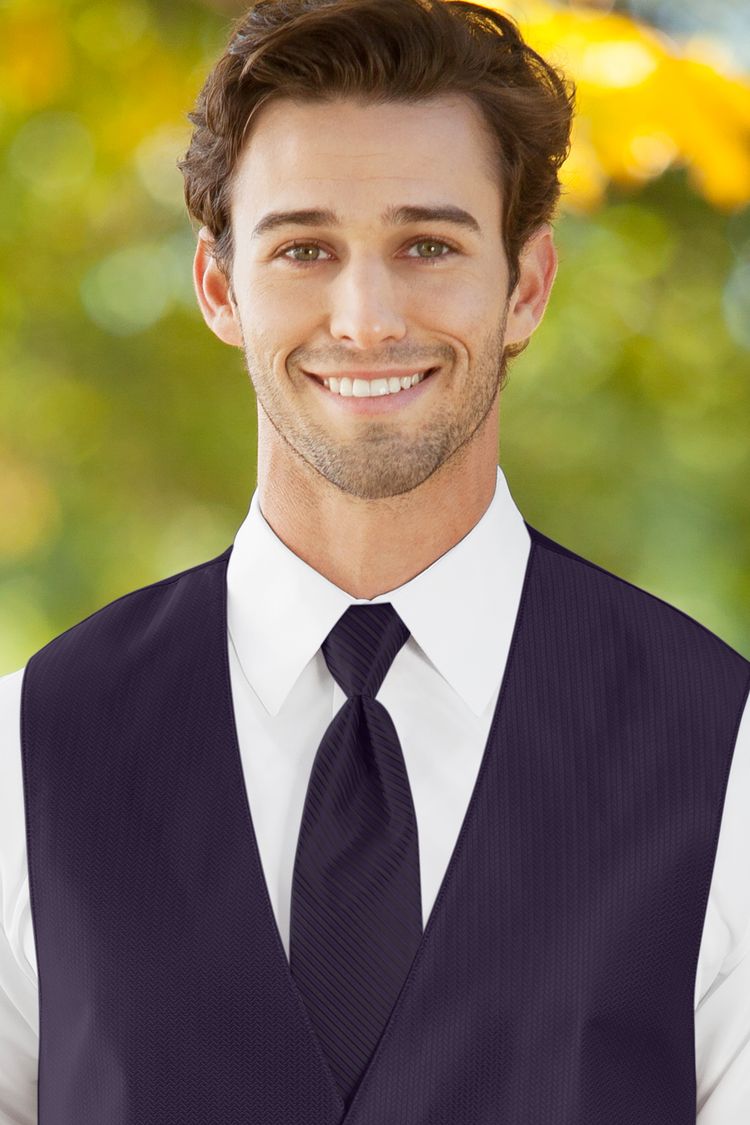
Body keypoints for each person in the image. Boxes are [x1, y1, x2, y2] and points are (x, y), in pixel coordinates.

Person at [0, 0, 748, 1120]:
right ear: (219, 287)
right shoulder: (27, 752)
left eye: (428, 245)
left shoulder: (726, 756)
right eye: (305, 248)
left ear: (528, 286)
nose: (364, 317)